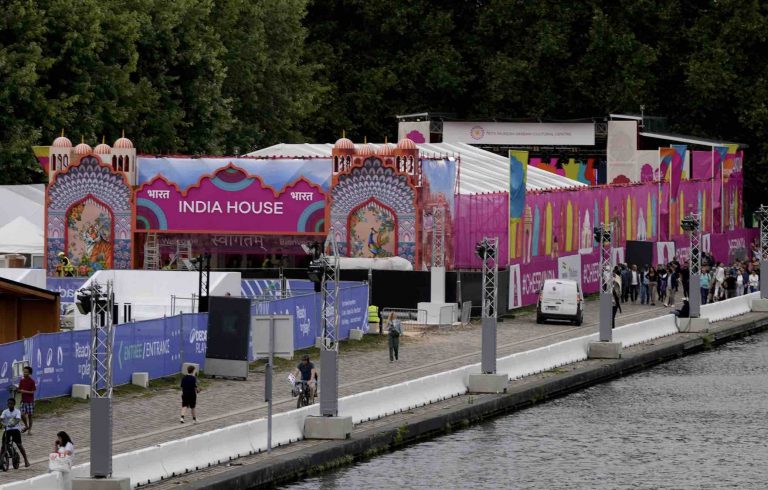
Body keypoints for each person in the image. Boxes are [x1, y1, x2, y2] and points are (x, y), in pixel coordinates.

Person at [1, 398, 30, 467]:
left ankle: (26, 460)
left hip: (15, 429)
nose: (10, 405)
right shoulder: (5, 411)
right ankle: (0, 460)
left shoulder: (17, 411)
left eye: (11, 404)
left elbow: (17, 419)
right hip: (7, 429)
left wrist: (13, 424)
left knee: (19, 445)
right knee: (3, 446)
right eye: (9, 404)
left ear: (14, 404)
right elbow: (2, 417)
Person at [18, 366, 36, 435]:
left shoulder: (32, 381)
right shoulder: (21, 380)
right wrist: (18, 390)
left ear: (29, 373)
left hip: (30, 401)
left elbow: (32, 392)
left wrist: (24, 391)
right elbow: (19, 390)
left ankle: (29, 430)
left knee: (30, 416)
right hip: (23, 401)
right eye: (24, 372)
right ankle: (26, 426)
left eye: (26, 372)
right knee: (22, 415)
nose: (24, 373)